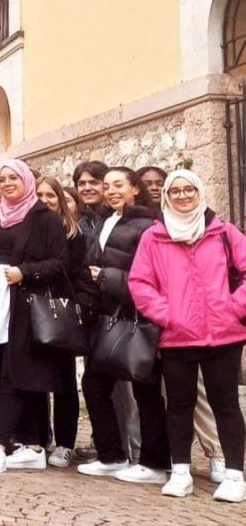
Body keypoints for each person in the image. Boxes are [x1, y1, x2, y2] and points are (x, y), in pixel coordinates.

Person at [129, 169, 246, 502]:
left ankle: (235, 475)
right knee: (179, 406)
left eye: (189, 190)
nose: (182, 196)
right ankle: (180, 471)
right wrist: (168, 315)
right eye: (175, 191)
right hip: (177, 337)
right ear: (166, 196)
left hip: (223, 336)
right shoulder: (153, 237)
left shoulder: (224, 232)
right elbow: (139, 283)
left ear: (199, 193)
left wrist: (234, 308)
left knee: (226, 406)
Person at [0, 159, 71, 474]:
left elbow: (60, 263)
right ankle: (33, 446)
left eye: (13, 177)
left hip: (27, 305)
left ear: (26, 180)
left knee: (17, 373)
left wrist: (25, 272)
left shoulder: (45, 219)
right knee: (5, 370)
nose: (7, 183)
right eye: (2, 179)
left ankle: (0, 446)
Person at [77, 167, 172, 485]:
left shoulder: (148, 226)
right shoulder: (107, 221)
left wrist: (102, 278)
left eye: (118, 185)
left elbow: (151, 278)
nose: (111, 190)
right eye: (107, 186)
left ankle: (156, 464)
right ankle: (112, 456)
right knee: (94, 385)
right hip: (108, 317)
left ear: (135, 189)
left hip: (138, 318)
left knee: (146, 391)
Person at [34, 176, 85, 468]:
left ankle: (65, 442)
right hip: (33, 309)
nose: (45, 200)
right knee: (36, 379)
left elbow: (69, 270)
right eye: (39, 194)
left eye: (50, 195)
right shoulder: (29, 229)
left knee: (64, 381)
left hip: (62, 310)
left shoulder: (74, 234)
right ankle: (41, 438)